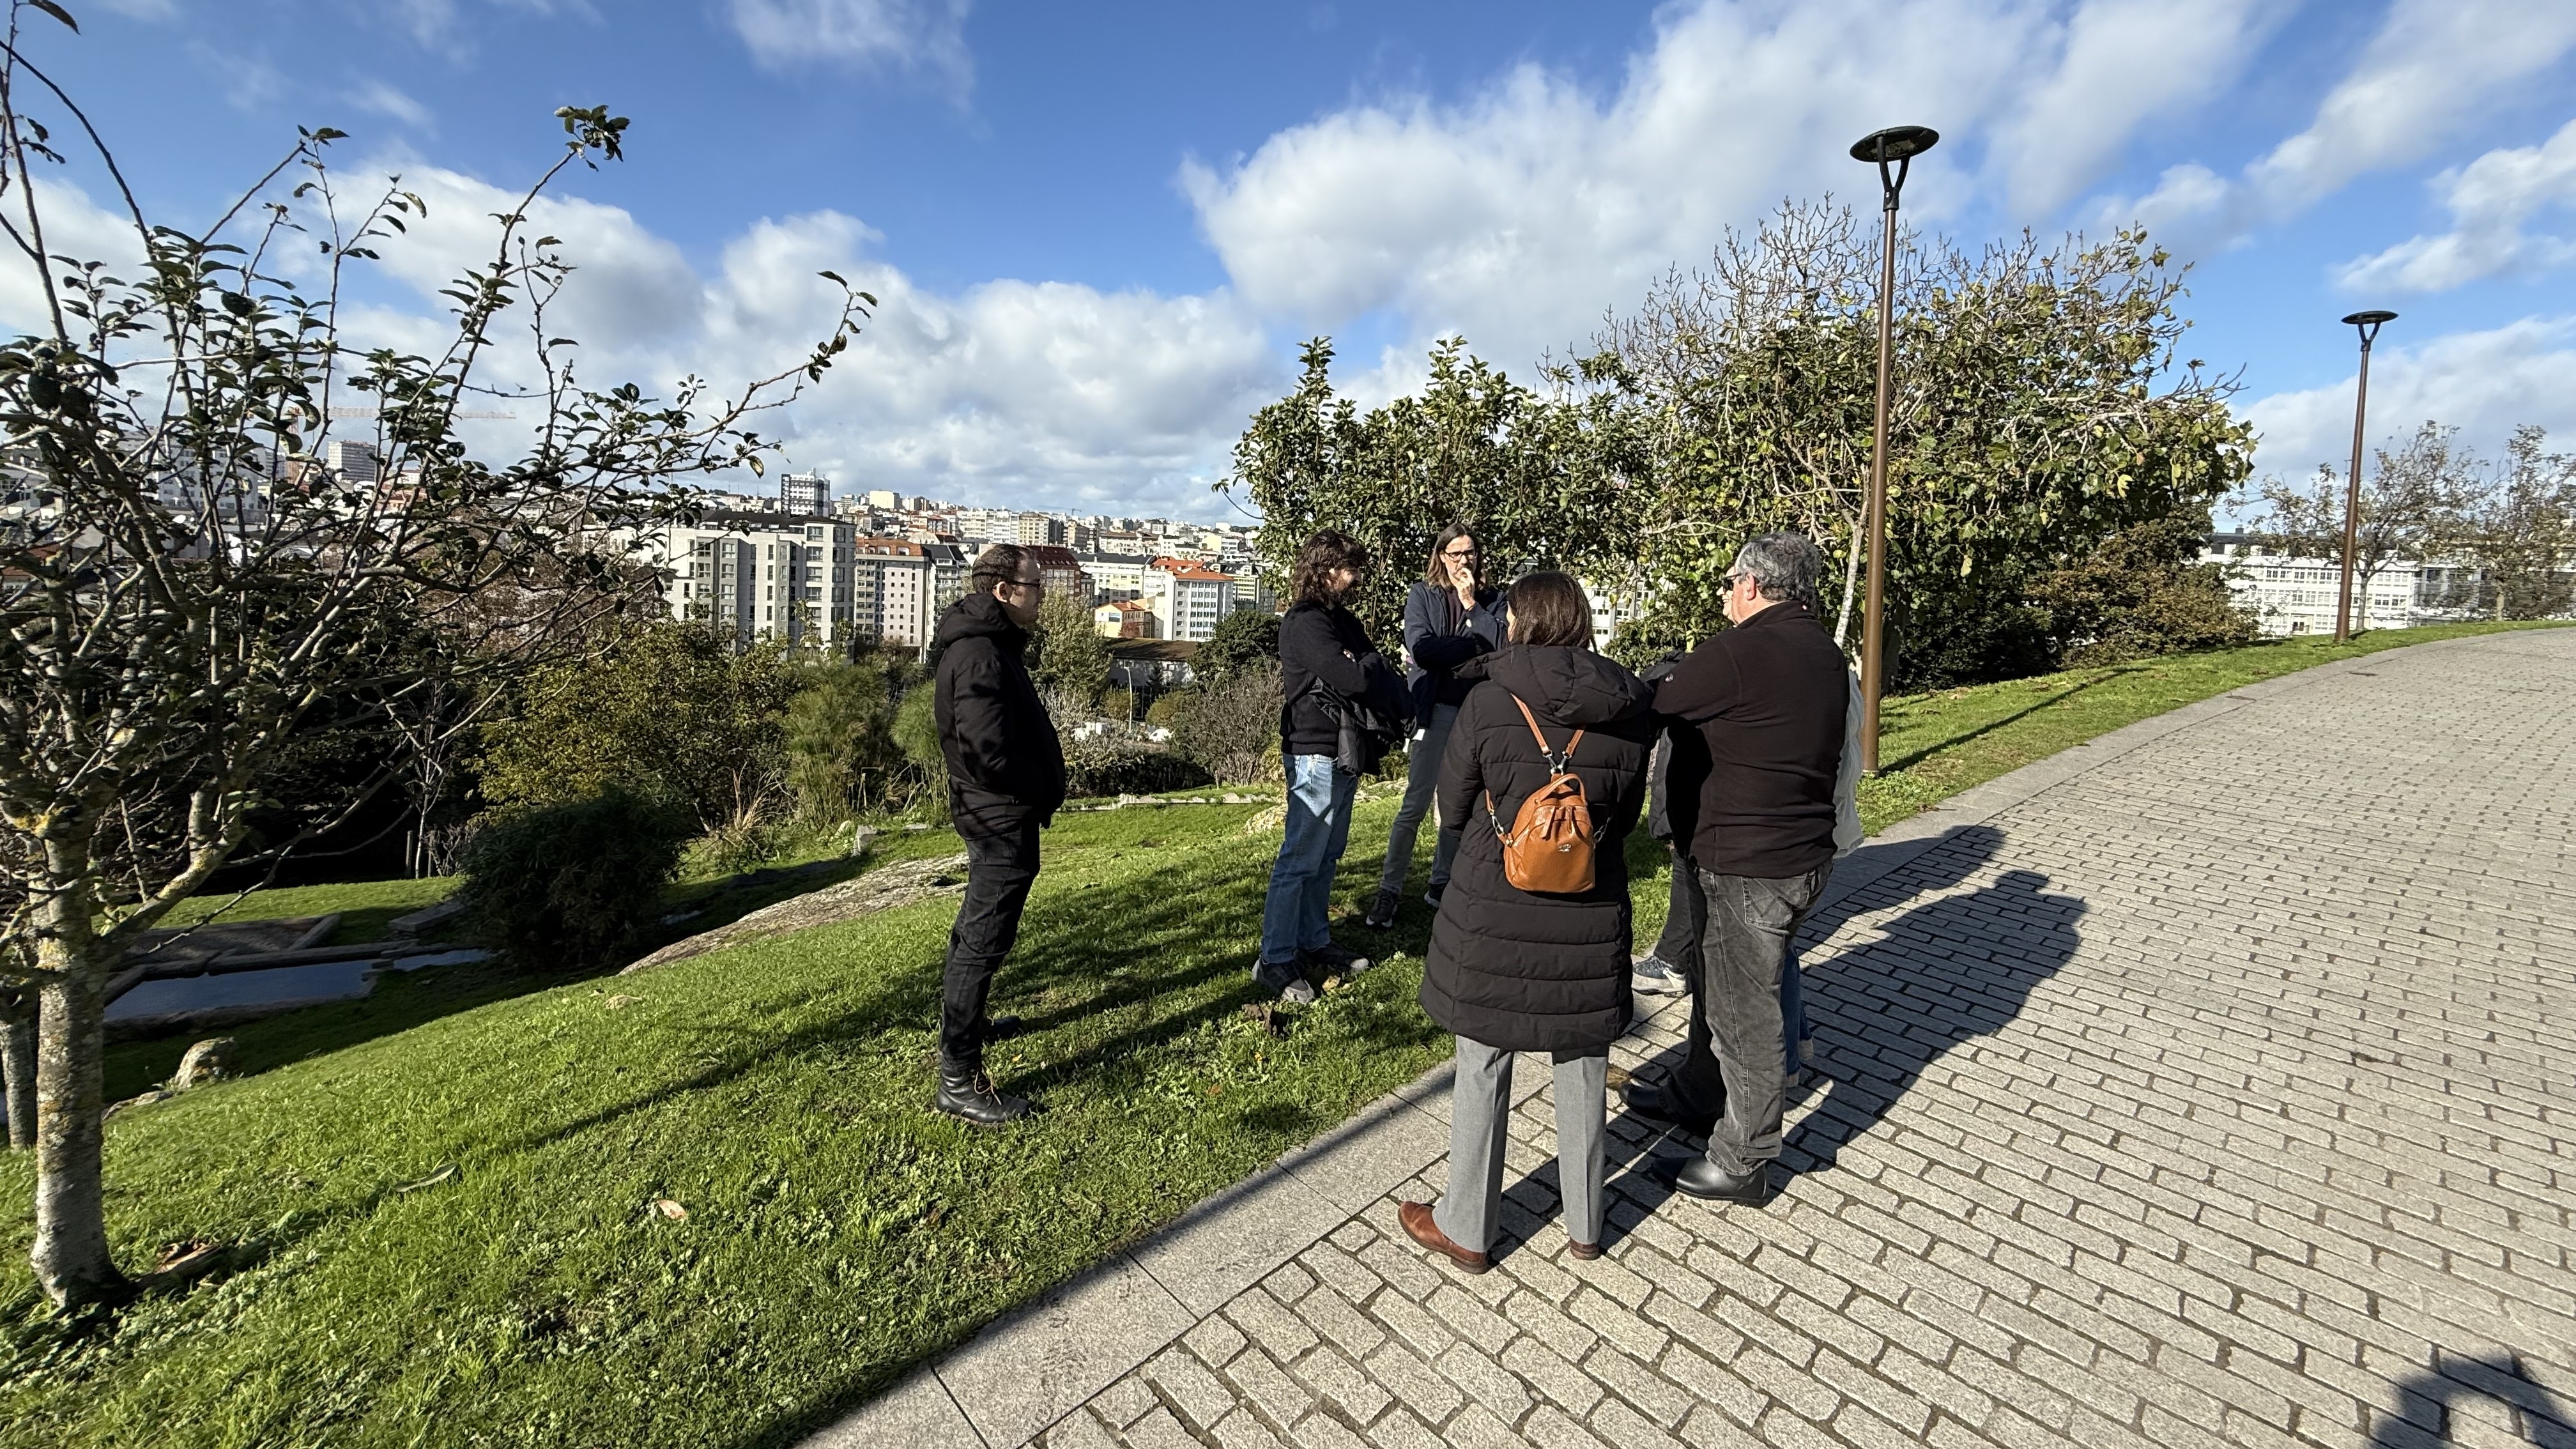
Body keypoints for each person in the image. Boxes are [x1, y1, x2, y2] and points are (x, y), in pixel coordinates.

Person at [1398, 572, 1655, 1272]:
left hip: (1494, 906)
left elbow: (1452, 811)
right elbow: (1625, 819)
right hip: (1590, 905)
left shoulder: (1488, 699)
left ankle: (1469, 1230)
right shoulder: (1631, 708)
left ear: (1521, 623)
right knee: (1583, 1062)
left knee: (1483, 1062)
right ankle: (1587, 1224)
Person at [1635, 533, 1858, 1205]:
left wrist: (1655, 674)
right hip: (1796, 857)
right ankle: (1700, 1093)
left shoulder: (1743, 650)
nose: (1727, 593)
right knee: (1719, 987)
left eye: (1731, 581)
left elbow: (1657, 701)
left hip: (1749, 866)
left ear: (1754, 586)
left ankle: (1745, 1158)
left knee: (1743, 1012)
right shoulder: (1820, 649)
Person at [928, 544, 1066, 1125]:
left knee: (975, 932)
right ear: (1004, 592)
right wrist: (1037, 785)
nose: (1042, 595)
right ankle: (958, 1078)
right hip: (1000, 813)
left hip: (992, 810)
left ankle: (971, 1023)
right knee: (985, 939)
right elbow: (988, 752)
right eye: (1035, 586)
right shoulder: (982, 654)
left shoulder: (984, 643)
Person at [1257, 529, 1389, 1003]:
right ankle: (1274, 957)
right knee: (1300, 858)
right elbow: (1355, 677)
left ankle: (1314, 940)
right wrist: (1363, 664)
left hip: (1345, 747)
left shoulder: (1341, 620)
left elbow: (1373, 662)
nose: (1356, 578)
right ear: (1325, 570)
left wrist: (1365, 662)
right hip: (1312, 749)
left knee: (1328, 855)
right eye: (1349, 569)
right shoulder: (1305, 622)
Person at [1365, 526, 1503, 929]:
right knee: (1416, 803)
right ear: (1442, 556)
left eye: (1471, 553)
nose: (1465, 561)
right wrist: (1473, 647)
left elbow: (1500, 647)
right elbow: (1422, 648)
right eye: (1456, 553)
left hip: (1477, 713)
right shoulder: (1422, 595)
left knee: (1459, 806)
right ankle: (1390, 889)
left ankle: (1442, 883)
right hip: (1434, 711)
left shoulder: (1493, 600)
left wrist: (1471, 606)